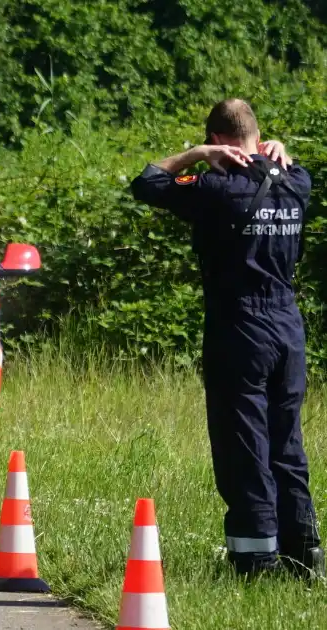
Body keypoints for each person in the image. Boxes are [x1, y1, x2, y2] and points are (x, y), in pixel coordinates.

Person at [129, 98, 323, 580]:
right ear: (258, 136)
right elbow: (288, 167)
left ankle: (255, 559)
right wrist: (279, 153)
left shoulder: (215, 188)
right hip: (288, 327)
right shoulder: (297, 183)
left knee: (244, 446)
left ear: (218, 140)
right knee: (286, 442)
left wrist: (194, 155)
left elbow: (148, 182)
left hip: (240, 326)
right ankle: (305, 554)